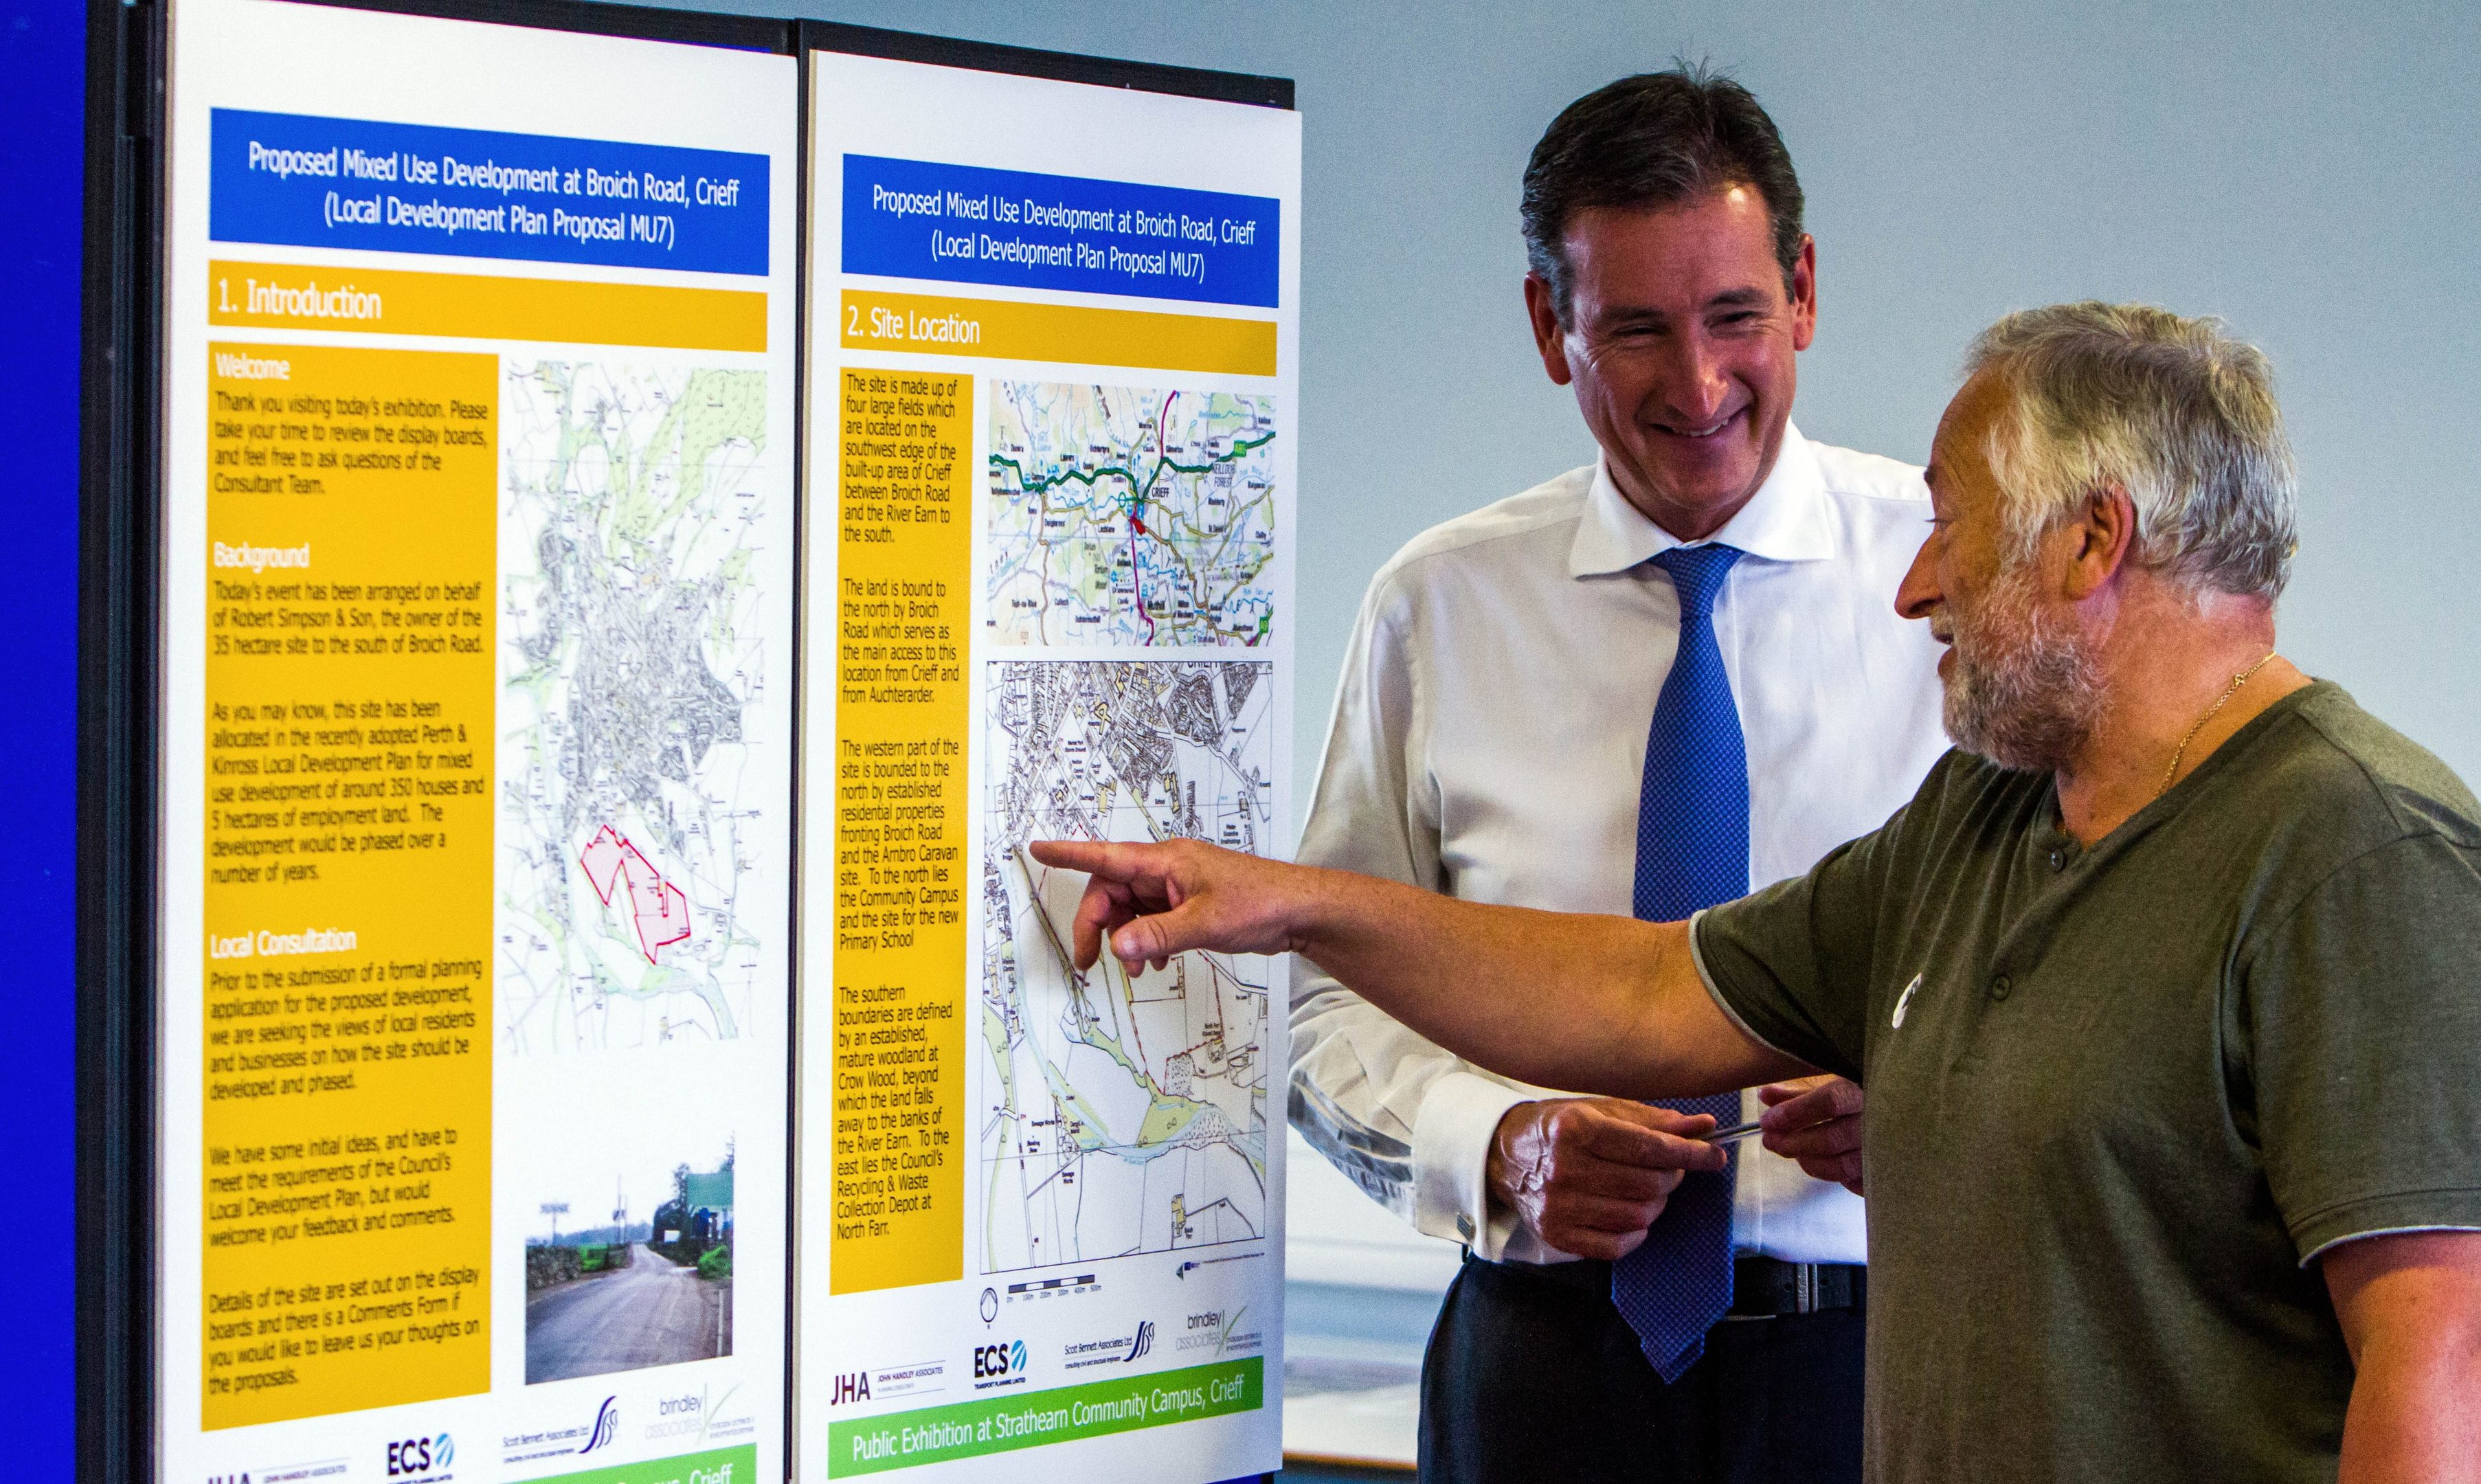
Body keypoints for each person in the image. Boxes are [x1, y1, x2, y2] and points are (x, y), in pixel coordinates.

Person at [1042, 302, 2481, 1484]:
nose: (1915, 583)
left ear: (2092, 541)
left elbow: (2441, 1360)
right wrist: (1291, 904)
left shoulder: (2356, 852)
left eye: (1954, 527)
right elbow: (1648, 987)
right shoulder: (1977, 818)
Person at [1286, 69, 1942, 1482]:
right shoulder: (1438, 607)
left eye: (1734, 319)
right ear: (1548, 326)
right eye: (1635, 330)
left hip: (1886, 1362)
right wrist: (1495, 1142)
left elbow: (2092, 976)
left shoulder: (1956, 588)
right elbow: (1314, 997)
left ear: (1805, 292)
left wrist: (1944, 1113)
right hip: (1540, 1361)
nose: (1696, 387)